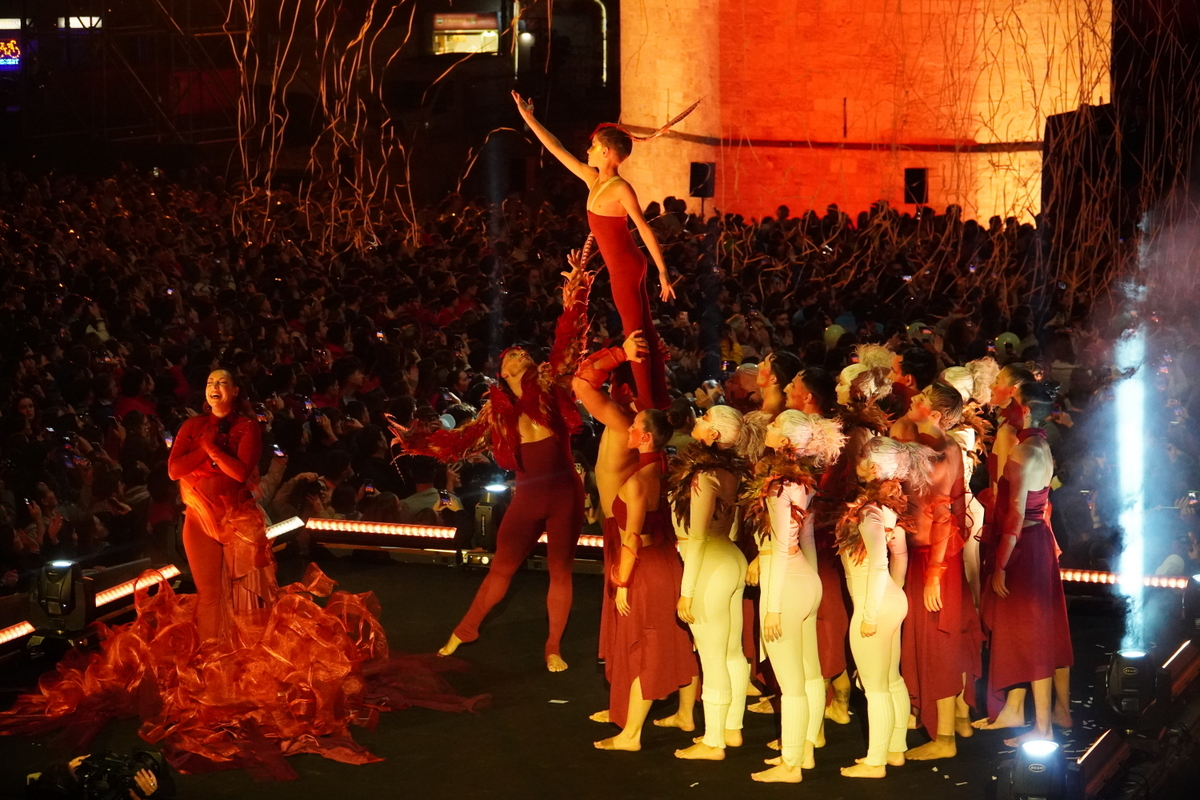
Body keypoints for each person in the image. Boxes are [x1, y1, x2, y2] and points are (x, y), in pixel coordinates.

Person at [390, 259, 592, 671]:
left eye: (522, 352)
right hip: (529, 496)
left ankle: (553, 645)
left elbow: (568, 345)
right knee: (501, 568)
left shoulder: (551, 384)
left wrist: (574, 296)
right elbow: (458, 443)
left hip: (565, 494)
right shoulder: (494, 414)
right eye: (509, 354)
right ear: (501, 373)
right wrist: (416, 441)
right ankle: (465, 629)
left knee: (560, 573)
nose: (518, 353)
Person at [513, 91, 695, 410]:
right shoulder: (592, 179)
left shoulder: (621, 188)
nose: (587, 149)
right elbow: (556, 148)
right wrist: (529, 117)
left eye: (594, 146)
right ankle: (658, 399)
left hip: (626, 267)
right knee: (645, 332)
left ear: (607, 152)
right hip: (624, 265)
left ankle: (649, 407)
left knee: (635, 336)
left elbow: (643, 227)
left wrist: (664, 273)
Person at [574, 330, 698, 728]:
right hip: (646, 534)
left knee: (636, 626)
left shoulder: (624, 418)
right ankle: (675, 711)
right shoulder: (653, 437)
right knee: (668, 630)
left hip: (628, 533)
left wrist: (617, 353)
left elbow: (579, 381)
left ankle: (629, 714)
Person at [745, 410, 846, 783]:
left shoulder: (779, 487)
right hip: (805, 578)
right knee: (808, 675)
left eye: (773, 426)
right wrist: (815, 589)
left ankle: (791, 764)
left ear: (785, 441)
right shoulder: (803, 484)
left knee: (791, 683)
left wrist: (771, 607)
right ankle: (803, 752)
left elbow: (782, 547)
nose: (767, 428)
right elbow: (803, 543)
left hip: (786, 582)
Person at [974, 380, 1073, 745]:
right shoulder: (1042, 446)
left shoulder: (1022, 453)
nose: (1007, 410)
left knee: (1032, 636)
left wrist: (1000, 564)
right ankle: (1042, 720)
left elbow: (1015, 515)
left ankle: (1043, 727)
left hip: (1024, 547)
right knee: (1040, 633)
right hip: (1039, 543)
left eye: (1013, 404)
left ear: (1026, 410)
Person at [596, 409, 699, 751]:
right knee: (680, 638)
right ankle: (686, 714)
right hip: (672, 565)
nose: (627, 429)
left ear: (644, 437)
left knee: (645, 646)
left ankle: (631, 735)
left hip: (648, 568)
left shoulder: (638, 482)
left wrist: (621, 580)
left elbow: (632, 538)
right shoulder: (667, 475)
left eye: (634, 426)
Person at [891, 382, 981, 760]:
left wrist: (933, 575)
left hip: (934, 559)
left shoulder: (942, 451)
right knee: (948, 639)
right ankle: (958, 717)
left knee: (939, 643)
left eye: (922, 398)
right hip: (932, 557)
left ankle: (944, 738)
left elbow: (944, 515)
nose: (915, 399)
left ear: (938, 415)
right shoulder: (932, 447)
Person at [835, 437, 933, 778]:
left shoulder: (870, 511)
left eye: (861, 458)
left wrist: (871, 611)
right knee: (891, 680)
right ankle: (895, 750)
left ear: (872, 467)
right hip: (890, 596)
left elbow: (878, 564)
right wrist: (896, 591)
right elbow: (899, 555)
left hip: (874, 600)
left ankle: (875, 761)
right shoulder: (887, 508)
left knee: (876, 685)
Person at [668, 405, 752, 760]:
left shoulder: (704, 475)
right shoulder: (729, 471)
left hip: (710, 563)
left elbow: (698, 536)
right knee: (732, 651)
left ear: (714, 434)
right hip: (730, 557)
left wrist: (687, 592)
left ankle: (714, 740)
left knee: (713, 655)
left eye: (703, 419)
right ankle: (731, 727)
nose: (697, 421)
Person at [168, 369, 276, 643]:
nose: (214, 386)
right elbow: (174, 470)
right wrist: (205, 448)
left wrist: (213, 449)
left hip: (236, 519)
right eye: (209, 382)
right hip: (199, 519)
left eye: (222, 382)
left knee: (246, 593)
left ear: (235, 391)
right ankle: (212, 656)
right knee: (209, 595)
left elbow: (240, 473)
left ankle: (251, 653)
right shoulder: (192, 426)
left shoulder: (247, 426)